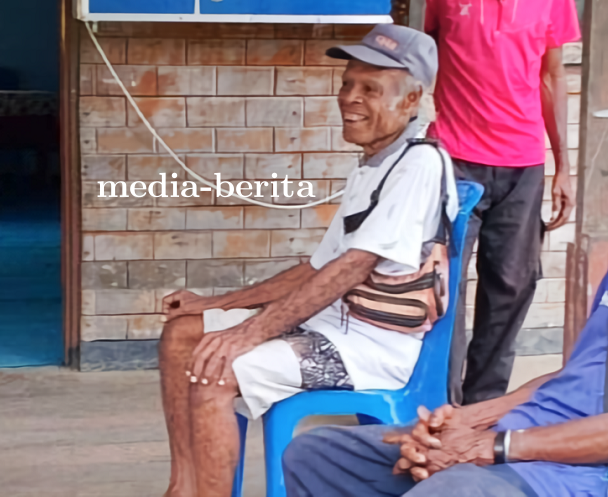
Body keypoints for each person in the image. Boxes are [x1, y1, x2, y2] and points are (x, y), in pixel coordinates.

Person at [282, 66, 608, 497]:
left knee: (448, 490)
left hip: (597, 477)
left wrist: (487, 449)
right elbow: (575, 375)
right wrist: (466, 420)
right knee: (321, 454)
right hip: (530, 442)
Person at [155, 25, 460, 497]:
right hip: (331, 327)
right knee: (182, 334)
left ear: (411, 100)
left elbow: (351, 268)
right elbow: (317, 269)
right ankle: (183, 486)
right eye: (347, 84)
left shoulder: (418, 164)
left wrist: (246, 334)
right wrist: (213, 303)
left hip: (372, 349)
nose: (349, 98)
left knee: (216, 368)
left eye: (370, 89)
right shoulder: (376, 163)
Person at [392, 0, 582, 405]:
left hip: (522, 166)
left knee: (512, 289)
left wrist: (563, 166)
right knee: (441, 288)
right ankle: (437, 403)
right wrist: (397, 13)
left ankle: (480, 408)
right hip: (454, 159)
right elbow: (412, 56)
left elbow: (551, 77)